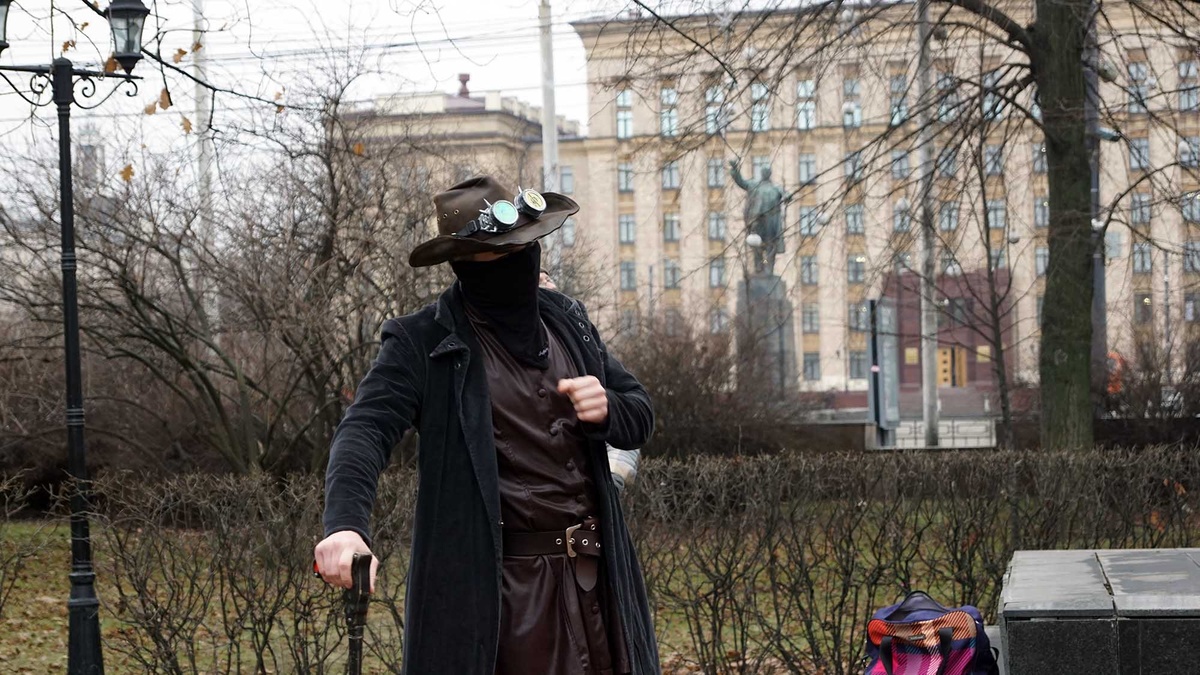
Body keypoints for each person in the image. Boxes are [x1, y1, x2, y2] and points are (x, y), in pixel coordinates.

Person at [314, 175, 659, 675]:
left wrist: (607, 407)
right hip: (498, 605)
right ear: (460, 264)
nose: (512, 264)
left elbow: (639, 414)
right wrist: (345, 526)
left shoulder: (566, 320)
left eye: (519, 248)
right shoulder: (423, 342)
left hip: (602, 587)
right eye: (491, 256)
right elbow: (364, 430)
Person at [539, 268, 642, 496]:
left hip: (589, 507)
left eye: (548, 279)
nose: (548, 286)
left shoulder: (584, 345)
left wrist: (614, 477)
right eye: (538, 281)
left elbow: (637, 410)